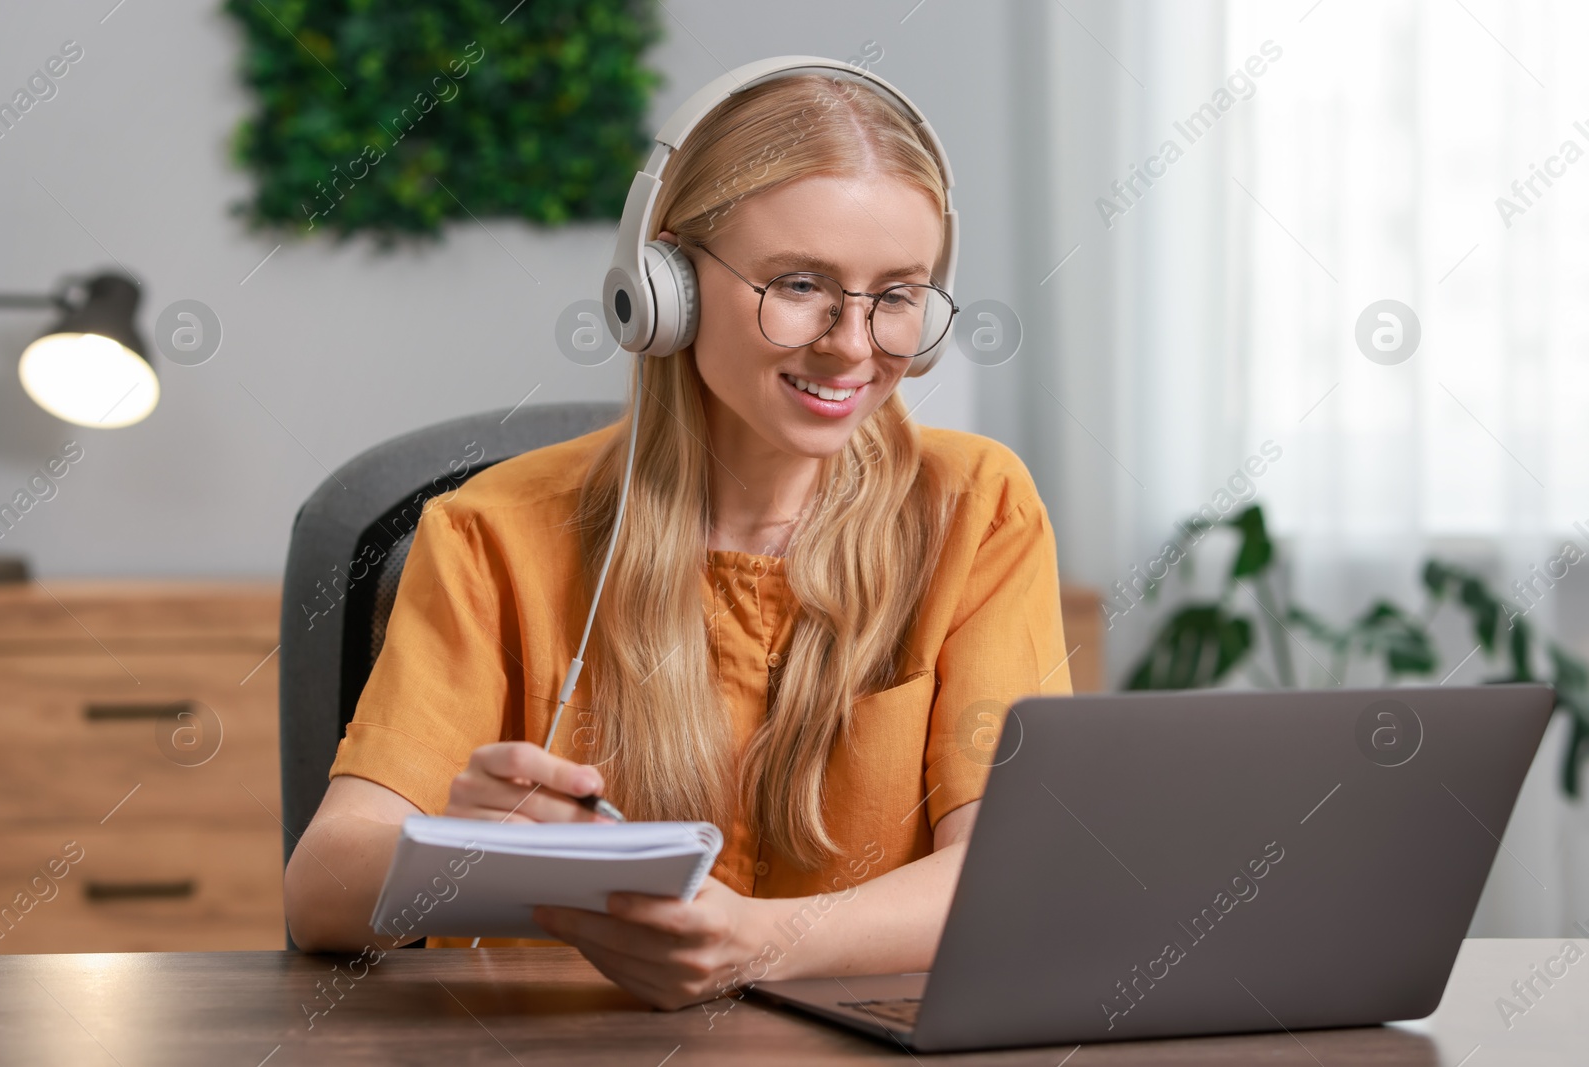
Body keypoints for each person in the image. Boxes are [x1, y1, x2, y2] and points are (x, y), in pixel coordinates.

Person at [283, 68, 1072, 1011]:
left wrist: (757, 942)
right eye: (801, 284)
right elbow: (318, 894)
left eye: (896, 295)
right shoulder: (491, 532)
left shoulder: (976, 508)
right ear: (663, 287)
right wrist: (457, 848)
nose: (853, 345)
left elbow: (1012, 885)